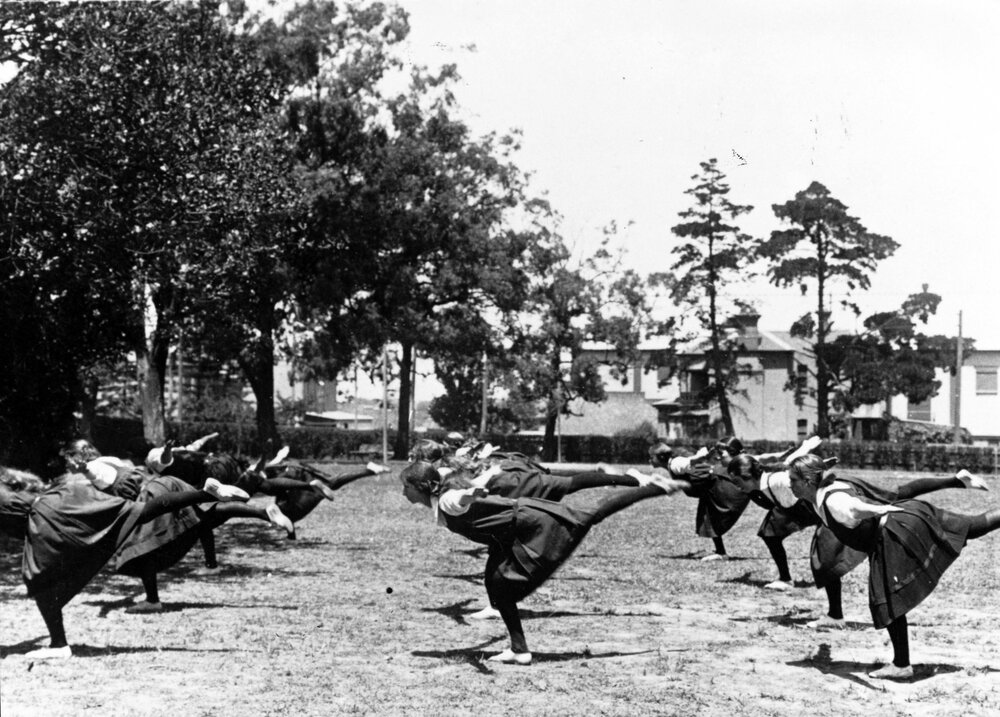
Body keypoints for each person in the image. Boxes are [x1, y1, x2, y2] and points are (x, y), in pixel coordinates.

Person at [400, 460, 689, 665]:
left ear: (423, 486)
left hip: (531, 524)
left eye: (406, 487)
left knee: (590, 516)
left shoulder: (449, 497)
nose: (404, 493)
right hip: (509, 534)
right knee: (496, 587)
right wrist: (482, 480)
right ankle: (519, 651)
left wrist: (470, 494)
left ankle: (656, 488)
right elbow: (464, 485)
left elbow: (458, 498)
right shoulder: (445, 488)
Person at [0, 463, 248, 660]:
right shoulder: (8, 480)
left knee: (40, 580)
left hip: (48, 519)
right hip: (61, 499)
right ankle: (204, 493)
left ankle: (59, 644)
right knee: (139, 512)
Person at [788, 453, 997, 680]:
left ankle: (901, 666)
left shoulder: (832, 500)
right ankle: (901, 663)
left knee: (886, 598)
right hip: (907, 517)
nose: (790, 485)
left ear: (808, 481)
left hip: (894, 532)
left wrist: (877, 510)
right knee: (973, 526)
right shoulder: (823, 490)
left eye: (793, 480)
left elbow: (853, 508)